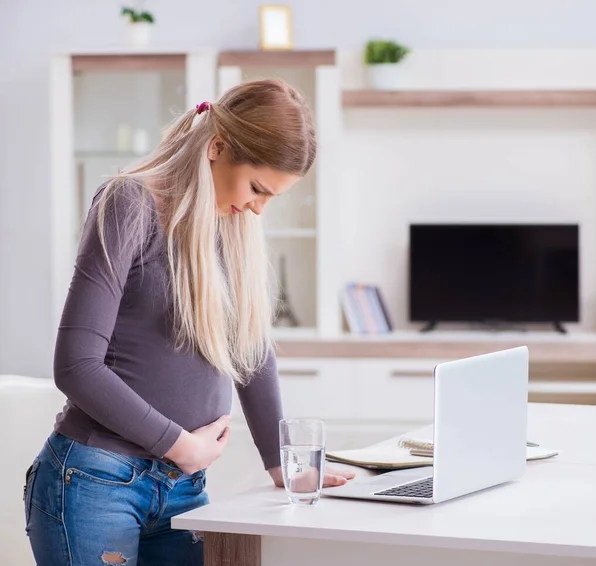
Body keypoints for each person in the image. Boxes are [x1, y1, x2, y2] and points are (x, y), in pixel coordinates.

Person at [23, 79, 354, 565]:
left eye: (273, 197)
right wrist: (179, 445)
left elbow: (252, 354)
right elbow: (76, 366)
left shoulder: (231, 226)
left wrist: (281, 463)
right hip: (96, 481)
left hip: (183, 486)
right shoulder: (127, 204)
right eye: (257, 188)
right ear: (217, 147)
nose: (258, 207)